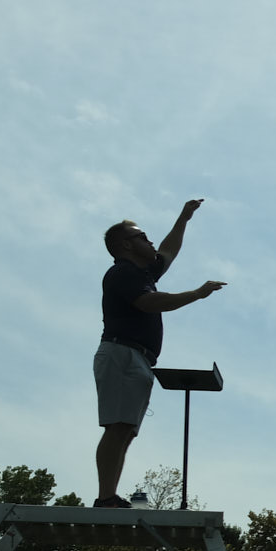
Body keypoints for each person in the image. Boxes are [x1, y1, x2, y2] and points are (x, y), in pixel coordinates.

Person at [92, 202, 226, 508]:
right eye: (142, 237)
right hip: (121, 353)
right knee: (117, 427)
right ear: (126, 244)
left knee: (125, 429)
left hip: (136, 357)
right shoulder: (122, 273)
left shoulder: (141, 271)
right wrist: (196, 294)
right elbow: (150, 303)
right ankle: (105, 497)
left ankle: (108, 496)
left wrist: (184, 218)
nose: (149, 241)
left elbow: (168, 251)